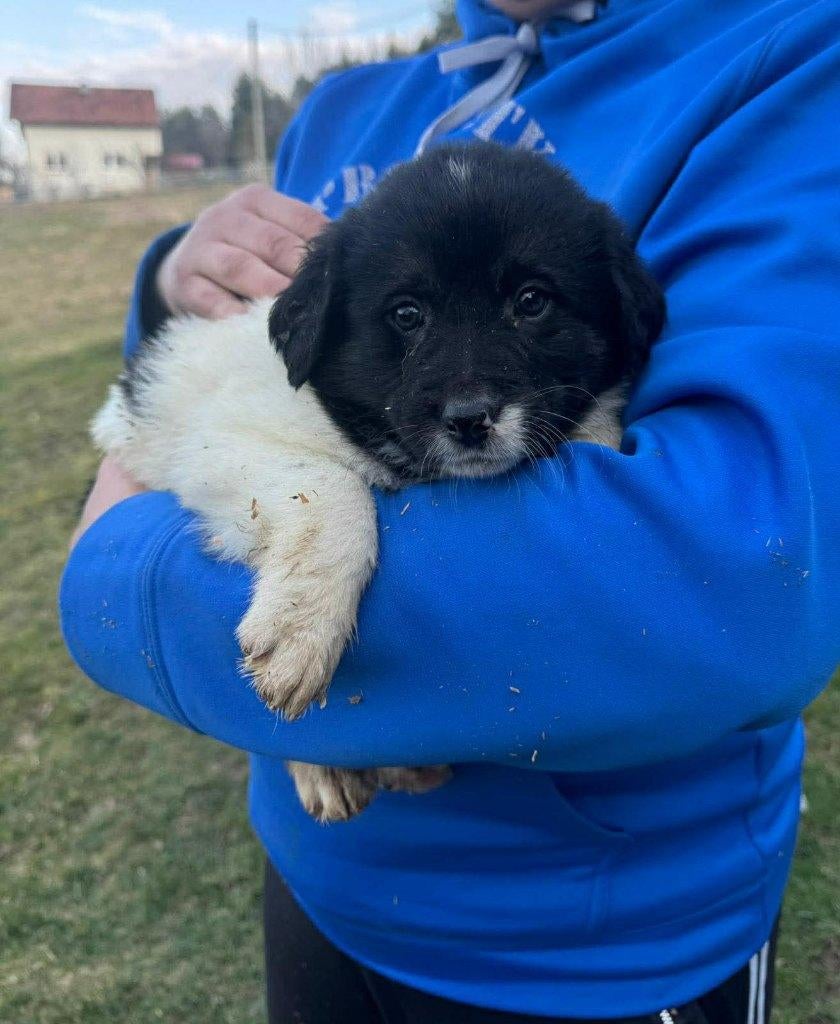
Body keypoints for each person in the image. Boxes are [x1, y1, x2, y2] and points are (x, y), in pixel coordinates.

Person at [61, 1, 840, 1022]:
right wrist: (169, 277)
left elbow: (733, 563)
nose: (468, 388)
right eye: (411, 316)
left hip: (589, 946)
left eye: (529, 304)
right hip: (319, 869)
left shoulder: (790, 60)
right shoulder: (339, 110)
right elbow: (225, 374)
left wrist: (116, 568)